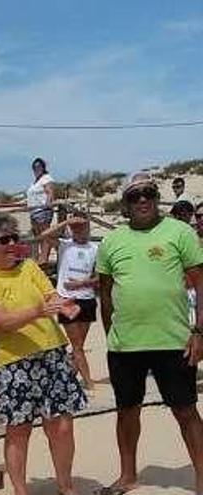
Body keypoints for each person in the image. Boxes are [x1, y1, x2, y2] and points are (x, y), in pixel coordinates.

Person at [96, 172, 203, 495]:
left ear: (156, 197)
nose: (142, 200)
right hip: (125, 345)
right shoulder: (112, 241)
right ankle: (128, 475)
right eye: (134, 196)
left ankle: (201, 477)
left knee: (185, 410)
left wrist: (199, 331)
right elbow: (105, 294)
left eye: (148, 193)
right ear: (126, 204)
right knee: (127, 410)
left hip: (174, 340)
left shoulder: (180, 232)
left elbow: (200, 283)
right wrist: (111, 336)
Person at [0, 212, 87, 495]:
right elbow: (0, 322)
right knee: (19, 429)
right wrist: (36, 311)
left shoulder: (30, 267)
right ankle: (20, 490)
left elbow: (51, 296)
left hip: (52, 355)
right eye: (4, 240)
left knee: (61, 426)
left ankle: (65, 486)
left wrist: (66, 306)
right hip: (14, 364)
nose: (12, 244)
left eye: (15, 238)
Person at [36, 213, 99, 390]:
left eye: (82, 227)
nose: (79, 231)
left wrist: (82, 283)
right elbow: (43, 236)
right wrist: (66, 222)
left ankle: (69, 376)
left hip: (87, 299)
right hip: (67, 300)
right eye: (75, 228)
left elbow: (100, 277)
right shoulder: (64, 245)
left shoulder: (95, 248)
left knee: (79, 343)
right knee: (77, 345)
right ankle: (88, 381)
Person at [27, 157, 56, 264]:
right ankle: (39, 257)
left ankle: (44, 258)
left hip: (42, 211)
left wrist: (47, 205)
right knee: (38, 236)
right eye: (34, 167)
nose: (36, 169)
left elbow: (50, 192)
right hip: (34, 211)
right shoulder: (35, 182)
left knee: (45, 235)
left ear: (43, 168)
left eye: (39, 167)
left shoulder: (46, 178)